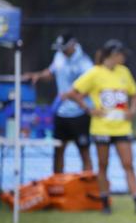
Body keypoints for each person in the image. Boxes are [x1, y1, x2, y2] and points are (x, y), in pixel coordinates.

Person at [64, 39, 136, 215]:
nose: (124, 58)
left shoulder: (124, 72)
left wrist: (133, 110)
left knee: (128, 164)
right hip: (102, 128)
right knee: (103, 165)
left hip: (122, 128)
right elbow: (72, 93)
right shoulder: (95, 73)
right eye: (121, 54)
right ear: (112, 55)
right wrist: (88, 109)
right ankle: (105, 202)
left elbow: (135, 94)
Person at [24, 33, 93, 173]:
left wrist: (73, 95)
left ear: (73, 44)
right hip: (61, 113)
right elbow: (50, 73)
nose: (61, 51)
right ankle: (57, 185)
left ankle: (88, 186)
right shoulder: (59, 56)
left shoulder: (85, 63)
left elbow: (91, 86)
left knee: (84, 152)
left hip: (79, 114)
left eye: (64, 48)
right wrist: (37, 75)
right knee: (58, 151)